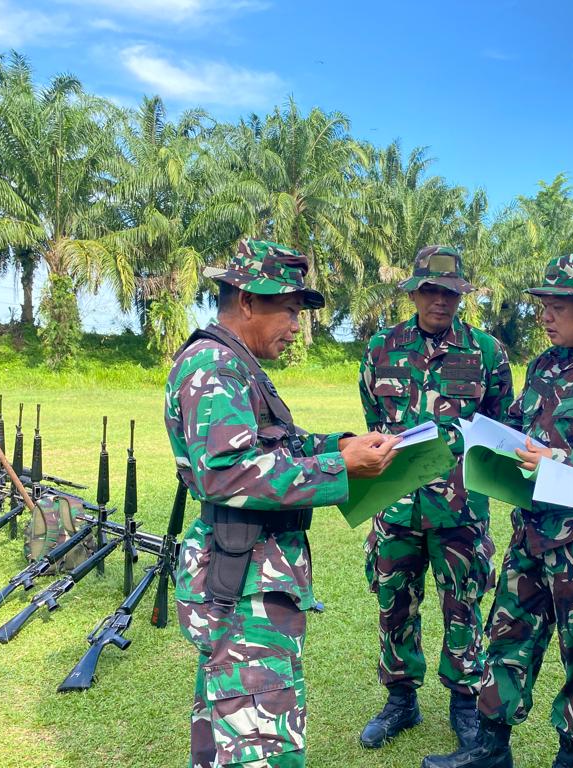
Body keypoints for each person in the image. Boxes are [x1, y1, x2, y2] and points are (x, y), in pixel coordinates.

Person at [166, 239, 400, 768]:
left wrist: (339, 445)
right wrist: (341, 467)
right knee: (261, 744)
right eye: (290, 310)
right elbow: (226, 473)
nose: (296, 326)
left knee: (230, 733)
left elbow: (273, 445)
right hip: (244, 583)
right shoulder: (215, 366)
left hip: (252, 574)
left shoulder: (236, 363)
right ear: (248, 301)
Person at [423, 253, 573, 768]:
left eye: (557, 307)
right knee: (507, 637)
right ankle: (491, 749)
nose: (545, 317)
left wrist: (562, 461)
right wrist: (493, 440)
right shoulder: (544, 365)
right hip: (530, 531)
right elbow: (519, 423)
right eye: (543, 306)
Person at [357, 245, 514, 750]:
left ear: (460, 296)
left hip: (460, 509)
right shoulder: (381, 348)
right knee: (394, 603)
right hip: (396, 504)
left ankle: (464, 703)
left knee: (463, 605)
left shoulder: (487, 352)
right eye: (430, 291)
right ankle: (400, 700)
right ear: (415, 293)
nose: (440, 301)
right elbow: (374, 418)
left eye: (450, 292)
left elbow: (498, 425)